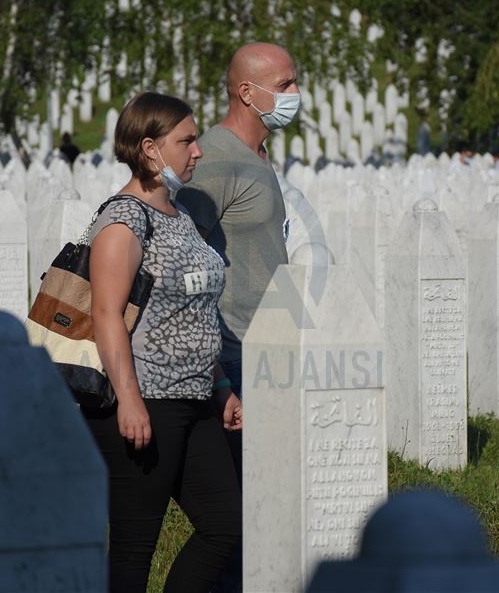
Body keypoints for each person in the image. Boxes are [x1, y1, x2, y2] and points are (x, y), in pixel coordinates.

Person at [84, 91, 242, 593]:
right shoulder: (124, 221)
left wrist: (220, 385)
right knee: (134, 550)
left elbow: (197, 312)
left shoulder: (180, 215)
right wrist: (129, 401)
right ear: (150, 148)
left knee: (226, 527)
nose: (198, 151)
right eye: (187, 140)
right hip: (145, 403)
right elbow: (105, 316)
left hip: (196, 402)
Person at [177, 42, 299, 593]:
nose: (295, 94)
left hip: (265, 346)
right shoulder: (217, 159)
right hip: (235, 350)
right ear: (248, 92)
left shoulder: (256, 154)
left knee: (267, 502)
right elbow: (185, 260)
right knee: (243, 515)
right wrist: (219, 376)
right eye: (286, 83)